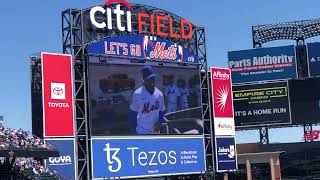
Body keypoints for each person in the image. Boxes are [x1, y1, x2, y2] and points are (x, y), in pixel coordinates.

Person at [130, 66, 166, 134]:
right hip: (142, 130)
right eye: (148, 79)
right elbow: (133, 114)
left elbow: (162, 111)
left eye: (152, 78)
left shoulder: (159, 94)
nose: (151, 81)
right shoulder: (137, 94)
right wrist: (133, 132)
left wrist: (160, 122)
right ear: (144, 80)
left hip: (155, 131)